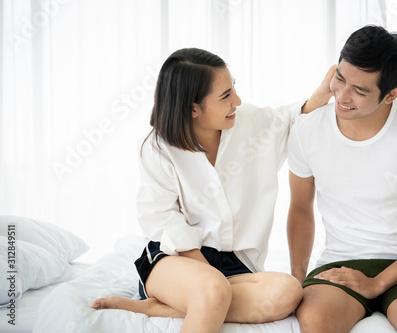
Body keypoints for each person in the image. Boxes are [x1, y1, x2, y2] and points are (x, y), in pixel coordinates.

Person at [91, 47, 335, 332]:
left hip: (237, 265)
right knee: (213, 288)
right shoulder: (157, 148)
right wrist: (208, 275)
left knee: (288, 291)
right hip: (176, 258)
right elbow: (161, 217)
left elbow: (293, 118)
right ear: (192, 108)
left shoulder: (250, 122)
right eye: (225, 96)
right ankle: (203, 296)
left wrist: (322, 94)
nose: (238, 101)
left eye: (234, 88)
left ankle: (162, 307)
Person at [287, 25, 397, 333]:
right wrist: (297, 278)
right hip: (340, 263)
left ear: (391, 94)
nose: (342, 96)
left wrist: (378, 283)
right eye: (339, 78)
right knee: (315, 322)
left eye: (360, 90)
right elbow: (300, 208)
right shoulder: (307, 129)